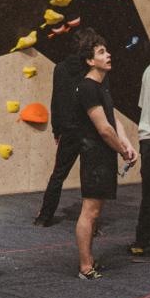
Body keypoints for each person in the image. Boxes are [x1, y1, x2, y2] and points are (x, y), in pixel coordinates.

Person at [73, 31, 139, 279]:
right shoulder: (88, 88)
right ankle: (84, 266)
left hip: (104, 157)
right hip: (95, 158)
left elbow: (114, 120)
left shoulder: (102, 86)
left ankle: (90, 260)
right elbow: (103, 128)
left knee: (95, 213)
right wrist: (123, 151)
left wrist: (127, 144)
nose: (108, 54)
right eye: (101, 52)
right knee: (90, 212)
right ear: (90, 60)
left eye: (106, 50)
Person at [33, 37, 92, 227]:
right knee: (89, 177)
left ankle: (44, 217)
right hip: (89, 129)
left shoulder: (59, 68)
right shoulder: (92, 70)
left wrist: (56, 130)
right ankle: (90, 223)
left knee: (58, 174)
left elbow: (55, 100)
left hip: (67, 129)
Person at [131, 61, 150, 258]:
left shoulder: (147, 70)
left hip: (147, 140)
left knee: (148, 194)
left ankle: (142, 241)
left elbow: (142, 105)